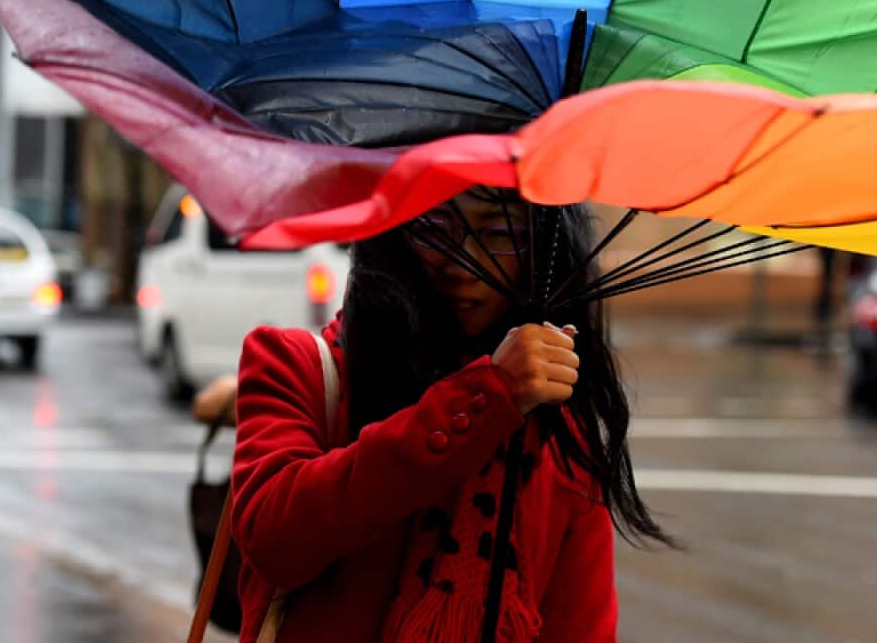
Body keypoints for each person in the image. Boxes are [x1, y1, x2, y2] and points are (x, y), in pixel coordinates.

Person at [228, 187, 673, 642]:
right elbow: (274, 540)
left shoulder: (562, 438)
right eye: (438, 230)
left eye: (499, 233)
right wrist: (487, 396)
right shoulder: (293, 365)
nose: (464, 265)